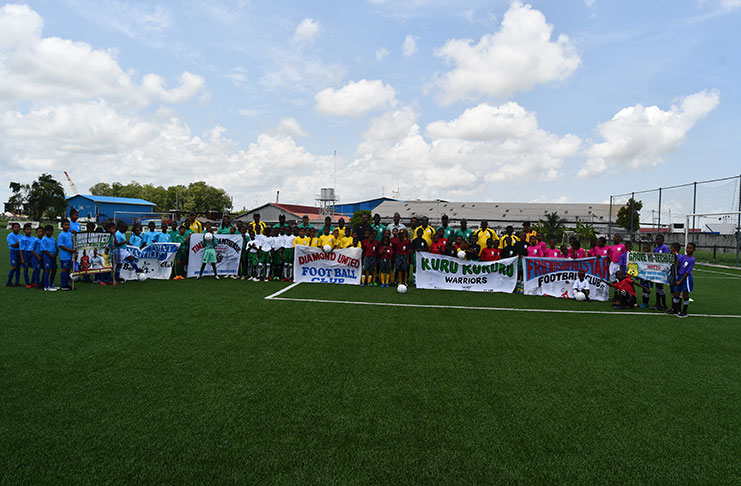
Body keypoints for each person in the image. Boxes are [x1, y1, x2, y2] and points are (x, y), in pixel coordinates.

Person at [667, 242, 695, 318]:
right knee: (676, 294)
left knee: (685, 294)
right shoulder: (684, 257)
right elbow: (678, 264)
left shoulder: (692, 259)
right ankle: (675, 310)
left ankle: (684, 311)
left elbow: (687, 272)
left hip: (686, 278)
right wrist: (676, 257)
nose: (688, 249)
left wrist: (680, 281)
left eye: (690, 248)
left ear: (694, 250)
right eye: (687, 247)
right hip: (679, 276)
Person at [651, 234, 671, 311]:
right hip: (656, 270)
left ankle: (664, 304)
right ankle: (658, 303)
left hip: (662, 271)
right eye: (656, 239)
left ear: (663, 240)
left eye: (659, 239)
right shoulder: (655, 249)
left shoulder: (665, 248)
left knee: (660, 286)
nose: (657, 241)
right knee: (657, 287)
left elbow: (667, 258)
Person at [57, 219, 74, 290]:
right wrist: (70, 250)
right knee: (64, 269)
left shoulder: (70, 234)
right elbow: (60, 245)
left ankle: (66, 284)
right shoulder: (61, 235)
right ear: (62, 226)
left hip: (70, 255)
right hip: (64, 255)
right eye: (65, 225)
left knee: (68, 269)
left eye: (68, 225)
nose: (67, 226)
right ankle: (63, 285)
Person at [40, 224, 58, 291]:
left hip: (53, 256)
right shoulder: (44, 239)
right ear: (45, 232)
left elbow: (57, 248)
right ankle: (46, 286)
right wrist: (50, 255)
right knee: (47, 270)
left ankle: (51, 284)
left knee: (54, 270)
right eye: (48, 231)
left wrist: (56, 254)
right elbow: (44, 249)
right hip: (47, 257)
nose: (49, 232)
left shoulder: (53, 239)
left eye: (51, 231)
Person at [6, 222, 22, 287]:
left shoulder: (21, 236)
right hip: (13, 252)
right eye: (15, 227)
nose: (17, 228)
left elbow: (22, 244)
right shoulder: (10, 235)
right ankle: (9, 282)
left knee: (18, 268)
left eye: (18, 227)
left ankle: (17, 282)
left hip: (20, 252)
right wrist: (19, 243)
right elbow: (13, 245)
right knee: (13, 267)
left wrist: (17, 243)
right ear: (12, 228)